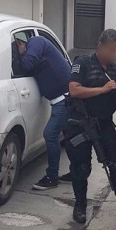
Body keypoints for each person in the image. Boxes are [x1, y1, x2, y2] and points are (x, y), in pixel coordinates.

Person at [65, 29, 116, 223]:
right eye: (110, 49)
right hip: (81, 123)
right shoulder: (83, 63)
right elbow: (74, 90)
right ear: (100, 46)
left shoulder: (115, 70)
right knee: (81, 167)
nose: (113, 54)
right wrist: (102, 89)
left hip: (105, 123)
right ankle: (80, 205)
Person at [13, 35, 71, 190]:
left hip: (64, 99)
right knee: (70, 137)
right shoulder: (37, 46)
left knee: (50, 135)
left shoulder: (36, 41)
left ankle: (52, 177)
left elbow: (26, 65)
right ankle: (77, 172)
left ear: (20, 42)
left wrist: (19, 54)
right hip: (61, 99)